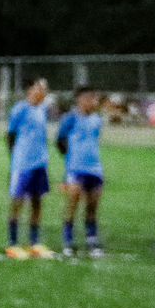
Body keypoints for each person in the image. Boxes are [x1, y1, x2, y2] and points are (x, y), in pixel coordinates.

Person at [5, 77, 55, 259]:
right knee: (18, 201)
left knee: (37, 202)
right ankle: (13, 243)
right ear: (30, 90)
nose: (43, 92)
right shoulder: (20, 109)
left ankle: (35, 242)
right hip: (23, 163)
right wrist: (16, 158)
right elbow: (10, 135)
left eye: (45, 89)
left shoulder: (43, 110)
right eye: (40, 88)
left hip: (40, 163)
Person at [57, 87, 106, 258]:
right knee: (72, 204)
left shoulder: (97, 120)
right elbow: (60, 140)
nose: (94, 102)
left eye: (95, 99)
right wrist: (71, 159)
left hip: (95, 169)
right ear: (81, 100)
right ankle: (68, 240)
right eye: (91, 98)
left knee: (92, 206)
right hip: (76, 169)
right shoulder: (70, 118)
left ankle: (92, 239)